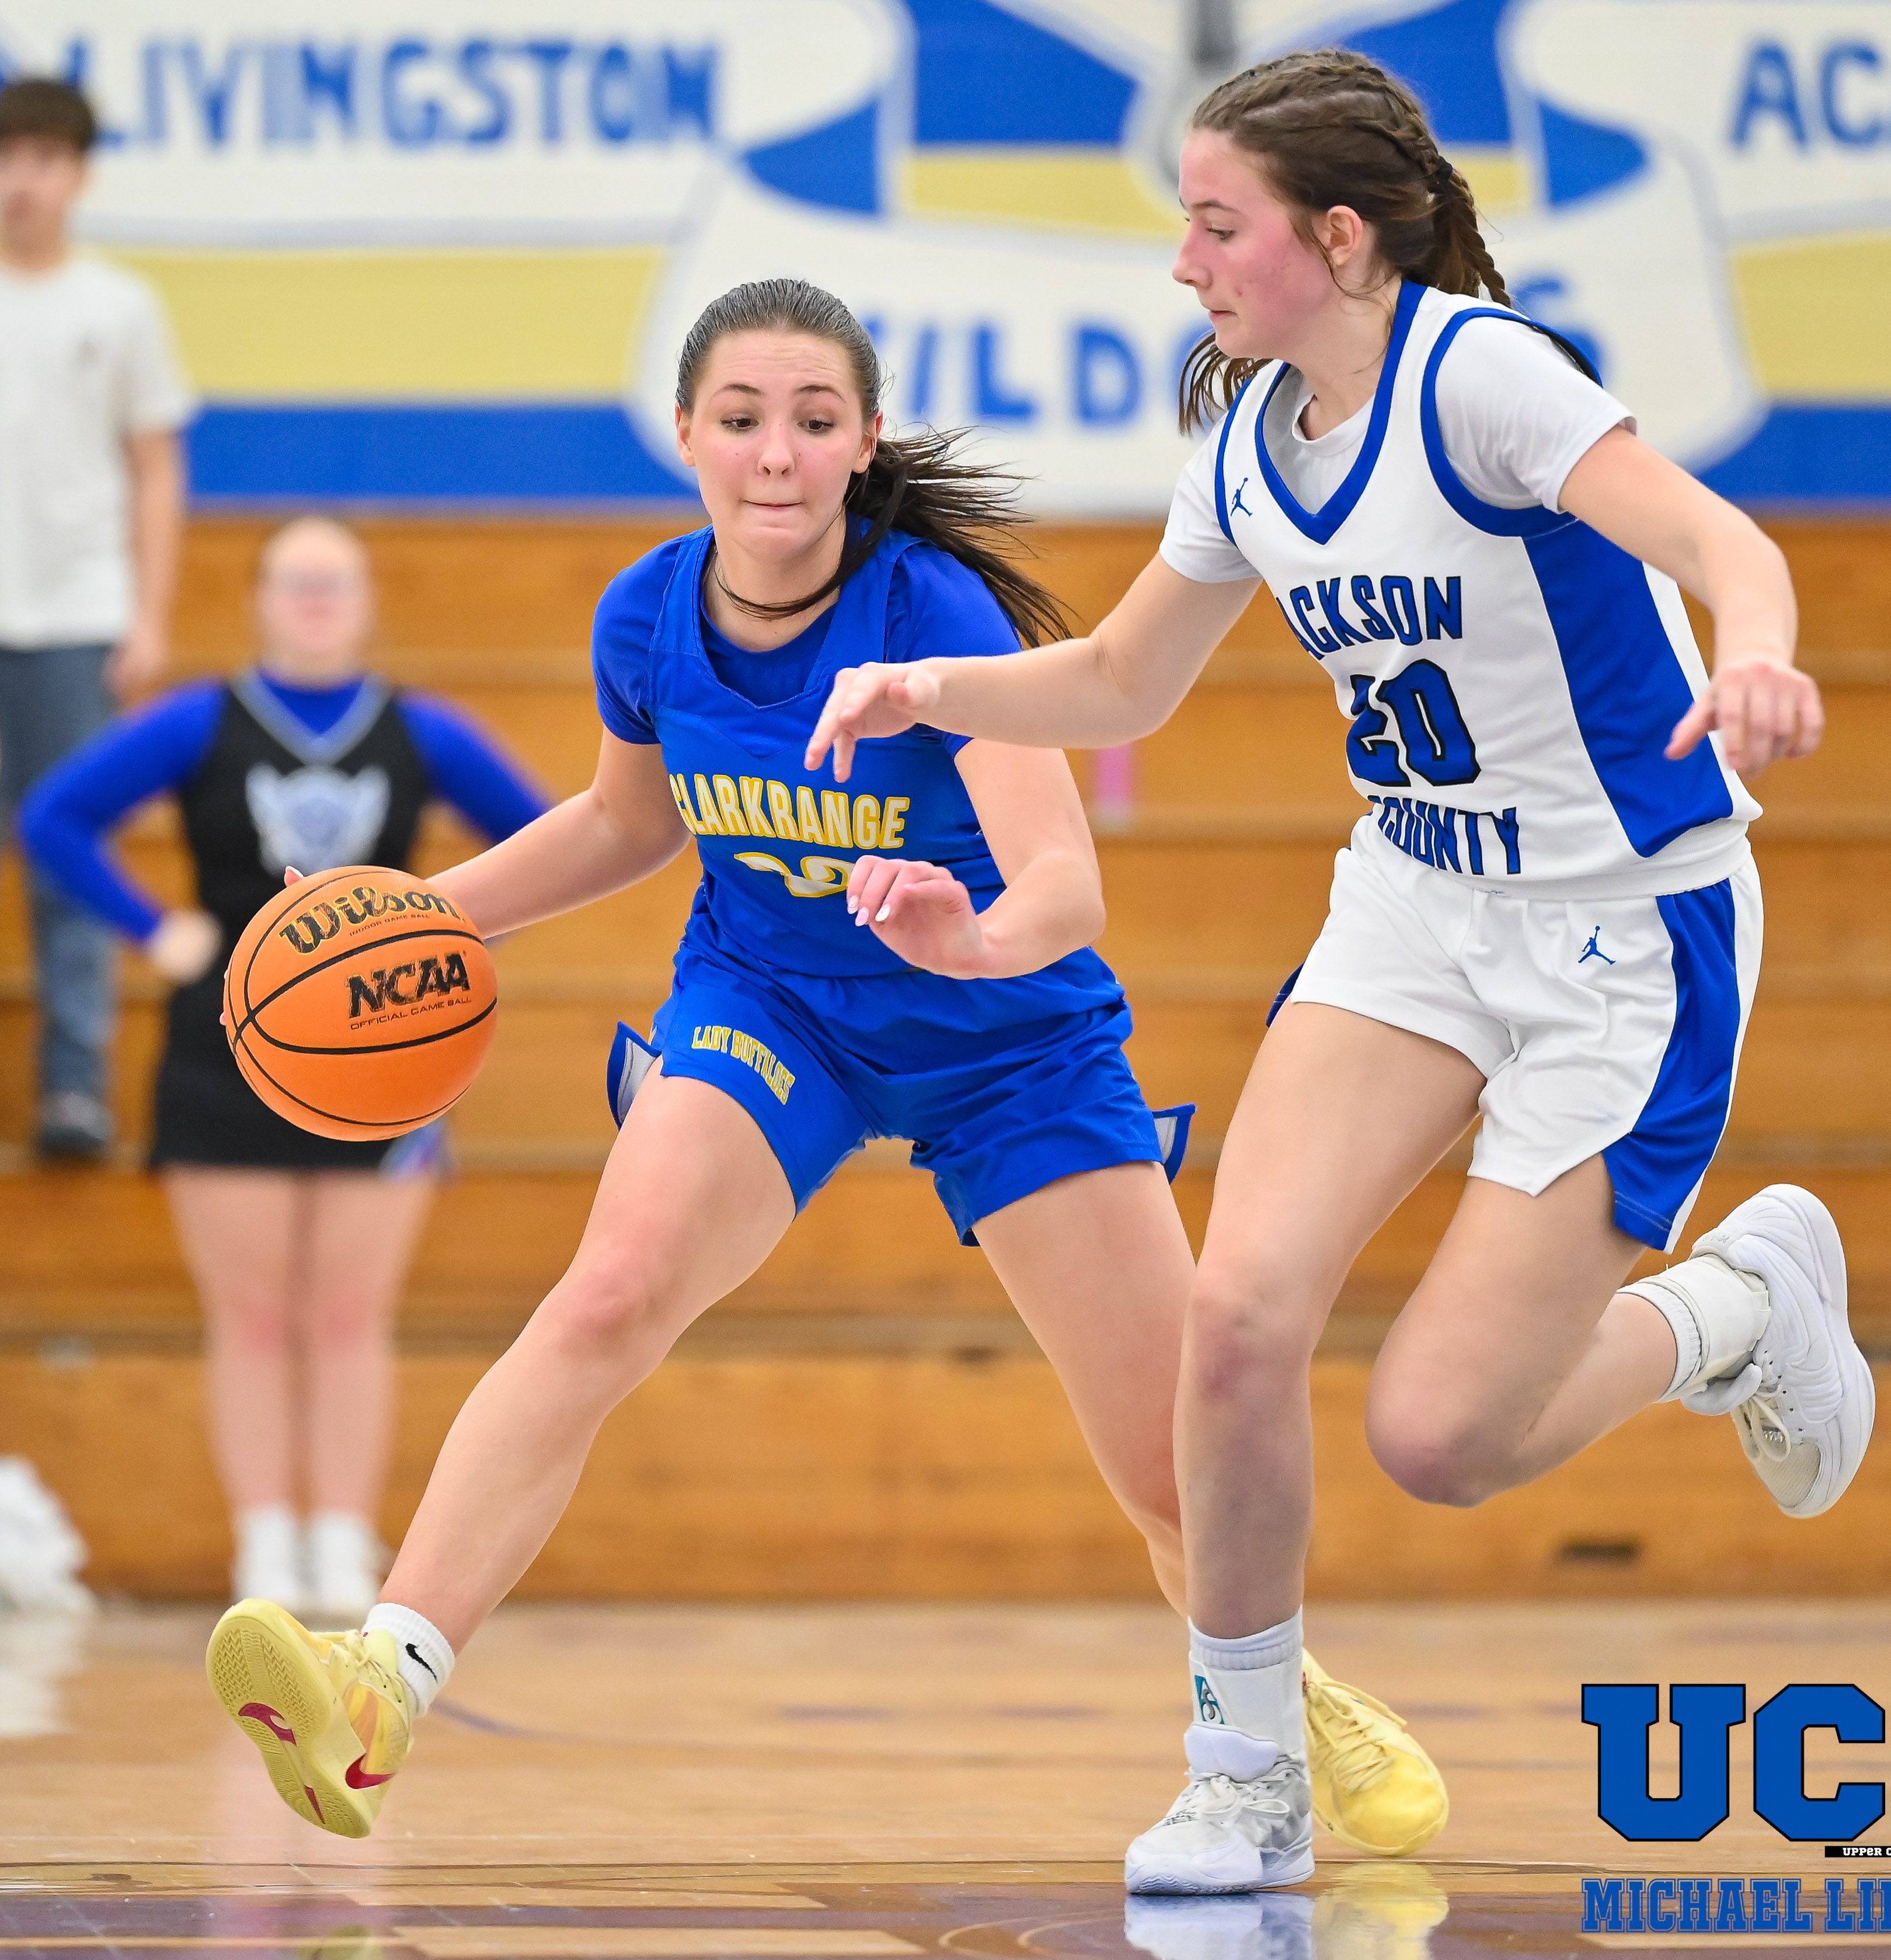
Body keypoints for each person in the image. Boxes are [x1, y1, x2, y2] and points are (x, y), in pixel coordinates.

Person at [806, 50, 1876, 1895]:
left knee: (1442, 1437)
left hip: (1624, 926)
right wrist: (927, 687)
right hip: (1417, 902)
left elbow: (1721, 540)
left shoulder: (1481, 378)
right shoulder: (1247, 442)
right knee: (1233, 1320)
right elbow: (1125, 681)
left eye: (1217, 225)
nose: (1184, 263)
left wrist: (1759, 652)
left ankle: (1737, 1305)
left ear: (1342, 237)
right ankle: (1243, 1772)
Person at [197, 280, 1446, 1854]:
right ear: (686, 435)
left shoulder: (932, 612)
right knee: (608, 1291)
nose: (774, 452)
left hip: (1007, 1037)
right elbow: (628, 823)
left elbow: (1065, 889)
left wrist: (965, 934)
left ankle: (1284, 1695)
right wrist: (412, 915)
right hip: (773, 1005)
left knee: (1166, 1467)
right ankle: (381, 1678)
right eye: (741, 419)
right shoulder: (646, 614)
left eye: (811, 419)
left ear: (864, 441)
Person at [21, 517, 549, 1617]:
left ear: (367, 603)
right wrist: (151, 927)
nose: (315, 599)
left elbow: (549, 836)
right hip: (224, 1050)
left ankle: (343, 1544)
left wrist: (451, 944)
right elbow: (54, 816)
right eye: (295, 581)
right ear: (259, 600)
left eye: (334, 582)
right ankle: (263, 1547)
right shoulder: (199, 721)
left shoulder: (420, 731)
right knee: (253, 1315)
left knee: (350, 1313)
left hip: (390, 1062)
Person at [0, 74, 191, 1159]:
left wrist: (148, 613)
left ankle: (74, 1086)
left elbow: (155, 466)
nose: (20, 181)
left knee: (64, 848)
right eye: (6, 156)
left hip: (75, 617)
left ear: (78, 174)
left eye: (42, 159)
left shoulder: (119, 308)